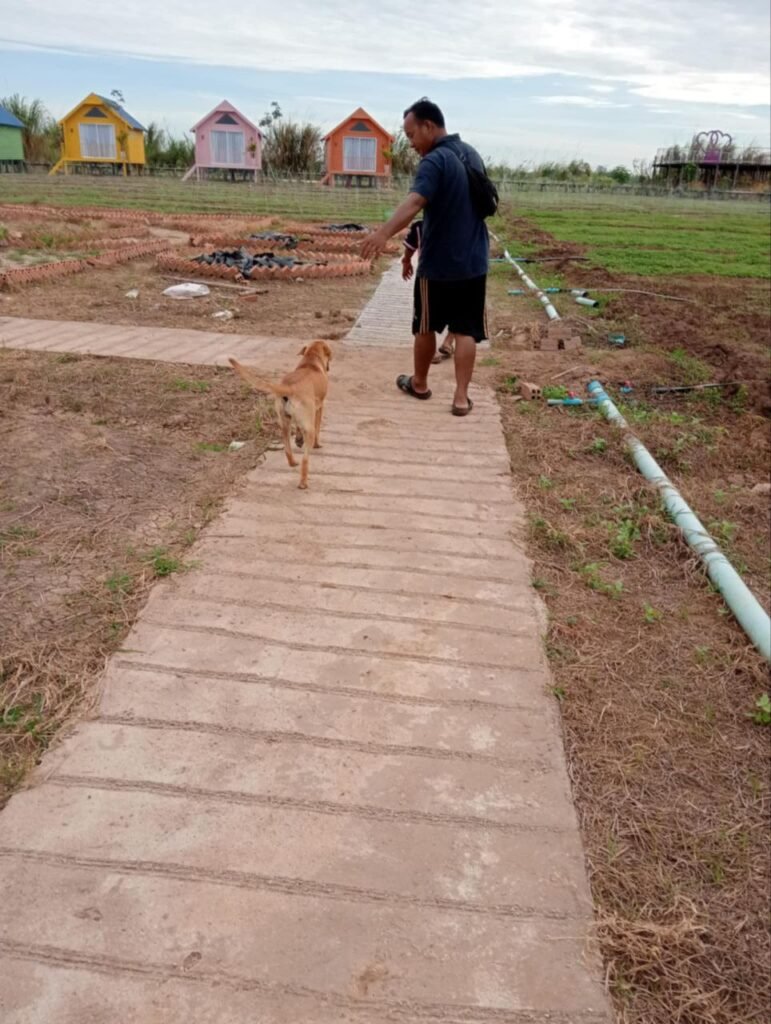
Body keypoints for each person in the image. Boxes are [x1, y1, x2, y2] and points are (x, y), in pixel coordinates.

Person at [362, 98, 489, 416]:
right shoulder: (471, 154)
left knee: (425, 326)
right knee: (466, 331)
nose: (411, 144)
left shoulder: (434, 161)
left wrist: (383, 233)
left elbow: (415, 201)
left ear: (429, 126)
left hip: (438, 265)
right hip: (474, 263)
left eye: (411, 135)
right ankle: (461, 398)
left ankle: (419, 383)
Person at [401, 219, 455, 364]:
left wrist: (406, 262)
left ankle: (432, 354)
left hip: (430, 276)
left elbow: (410, 248)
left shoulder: (420, 226)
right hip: (458, 275)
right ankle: (448, 342)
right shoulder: (459, 223)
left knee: (426, 319)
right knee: (458, 313)